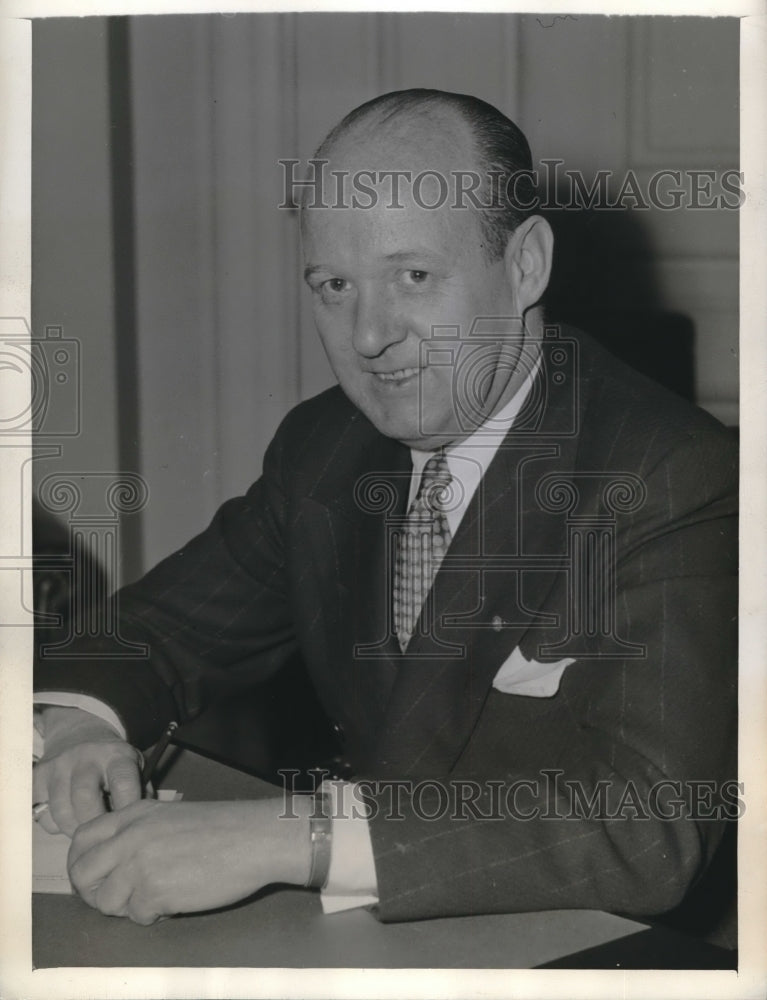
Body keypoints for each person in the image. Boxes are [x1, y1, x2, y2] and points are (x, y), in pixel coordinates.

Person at [34, 89, 737, 928]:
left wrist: (289, 836)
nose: (368, 335)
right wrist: (82, 727)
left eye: (413, 276)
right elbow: (158, 632)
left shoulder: (667, 472)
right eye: (334, 285)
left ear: (525, 266)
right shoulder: (328, 448)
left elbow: (647, 826)